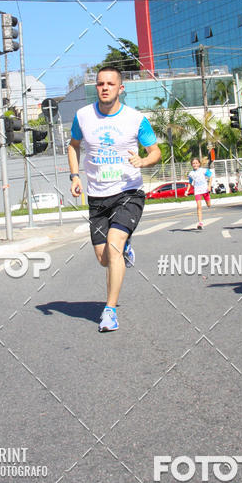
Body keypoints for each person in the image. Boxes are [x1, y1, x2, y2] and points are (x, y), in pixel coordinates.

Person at [68, 66, 161, 332]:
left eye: (110, 84)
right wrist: (75, 176)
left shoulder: (135, 119)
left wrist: (143, 161)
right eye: (100, 84)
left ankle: (109, 311)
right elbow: (73, 146)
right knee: (103, 258)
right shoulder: (83, 116)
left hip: (128, 192)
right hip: (97, 196)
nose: (105, 88)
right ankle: (125, 249)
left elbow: (155, 151)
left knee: (114, 245)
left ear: (121, 88)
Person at [184, 157, 213, 229]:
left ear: (199, 164)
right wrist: (187, 191)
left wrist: (209, 186)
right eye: (193, 163)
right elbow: (190, 183)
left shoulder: (203, 170)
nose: (195, 164)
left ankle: (208, 201)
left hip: (205, 190)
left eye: (196, 163)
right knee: (199, 207)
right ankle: (200, 223)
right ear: (191, 164)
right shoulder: (191, 173)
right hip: (197, 191)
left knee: (209, 205)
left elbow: (211, 176)